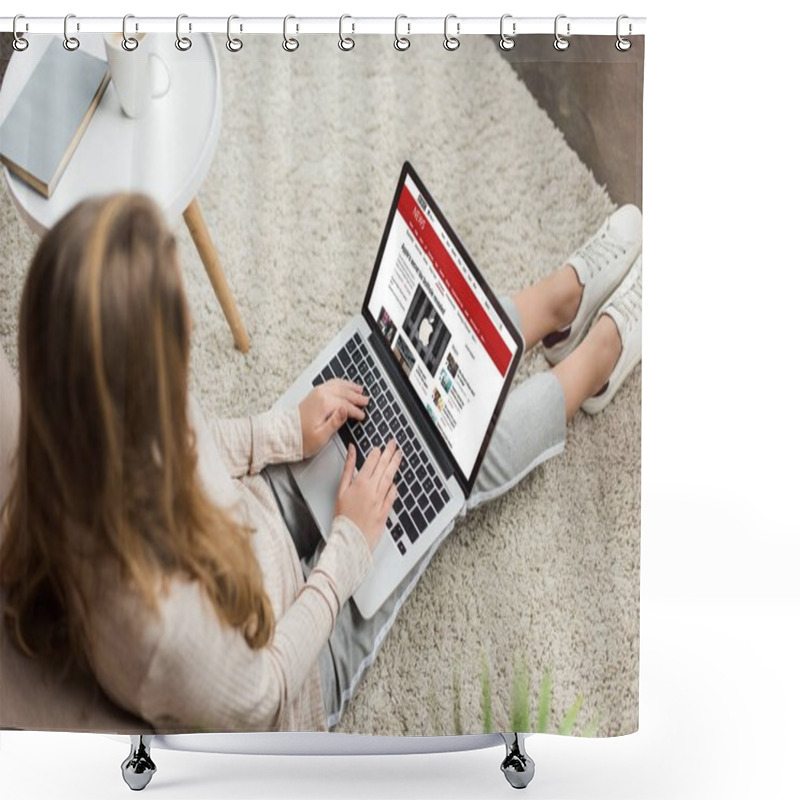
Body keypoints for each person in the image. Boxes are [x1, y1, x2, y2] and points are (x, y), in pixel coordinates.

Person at [0, 193, 642, 733]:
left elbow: (198, 444)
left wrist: (286, 431)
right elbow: (265, 692)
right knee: (448, 466)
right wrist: (348, 547)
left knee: (406, 384)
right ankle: (600, 359)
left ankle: (557, 305)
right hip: (303, 655)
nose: (194, 319)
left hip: (255, 520)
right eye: (180, 314)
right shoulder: (164, 632)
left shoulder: (82, 414)